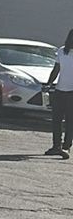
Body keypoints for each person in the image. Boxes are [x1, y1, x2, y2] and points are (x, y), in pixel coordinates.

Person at [47, 29, 73, 159]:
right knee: (56, 119)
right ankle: (56, 146)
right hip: (60, 90)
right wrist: (49, 83)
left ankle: (66, 146)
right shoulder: (62, 51)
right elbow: (56, 69)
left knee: (70, 121)